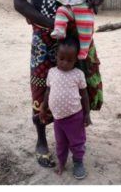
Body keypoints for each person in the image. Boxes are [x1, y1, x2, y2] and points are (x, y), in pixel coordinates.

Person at [12, 0, 105, 169]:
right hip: (45, 34)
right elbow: (19, 2)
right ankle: (42, 137)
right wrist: (51, 24)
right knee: (42, 84)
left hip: (74, 33)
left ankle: (75, 129)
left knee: (79, 81)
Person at [40, 38, 92, 179]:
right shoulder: (52, 72)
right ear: (56, 55)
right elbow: (47, 91)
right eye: (61, 58)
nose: (64, 63)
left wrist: (87, 114)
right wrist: (43, 108)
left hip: (75, 116)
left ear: (75, 60)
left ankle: (78, 162)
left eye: (69, 60)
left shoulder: (78, 74)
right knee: (60, 143)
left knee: (77, 141)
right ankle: (62, 162)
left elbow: (84, 95)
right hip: (57, 117)